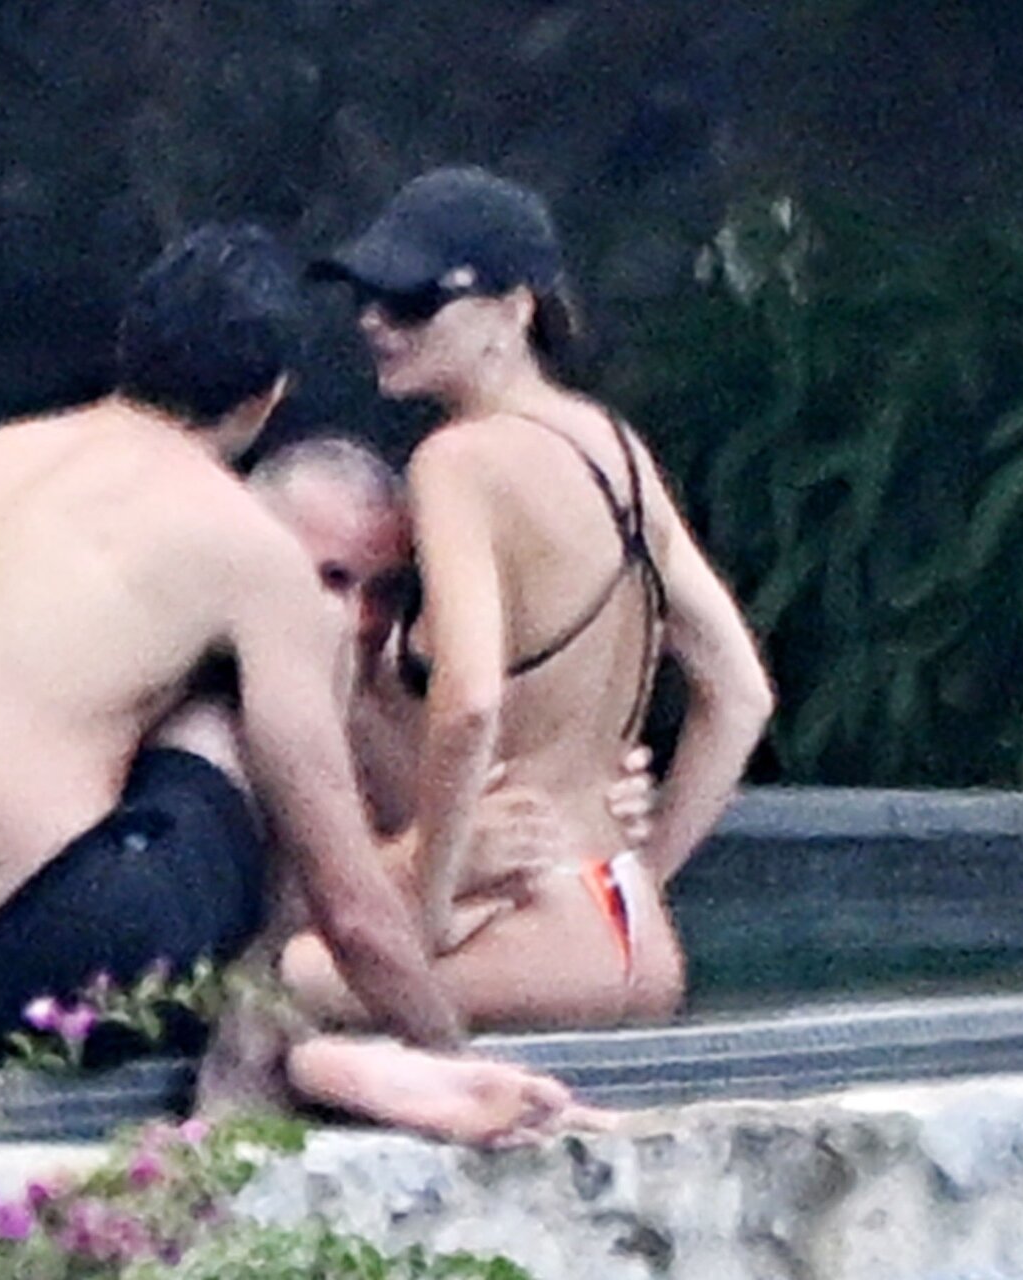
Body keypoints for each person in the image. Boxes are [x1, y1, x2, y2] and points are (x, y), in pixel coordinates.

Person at [0, 224, 581, 1146]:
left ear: (131, 347)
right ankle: (259, 1065)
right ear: (270, 398)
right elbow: (351, 910)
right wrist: (451, 1054)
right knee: (234, 710)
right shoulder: (243, 544)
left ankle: (300, 1060)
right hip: (63, 978)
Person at [284, 167, 776, 1031]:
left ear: (514, 309)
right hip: (630, 929)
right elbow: (740, 694)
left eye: (414, 301)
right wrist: (644, 876)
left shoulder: (458, 462)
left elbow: (470, 701)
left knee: (268, 983)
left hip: (526, 920)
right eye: (368, 297)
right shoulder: (616, 449)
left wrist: (430, 903)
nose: (376, 322)